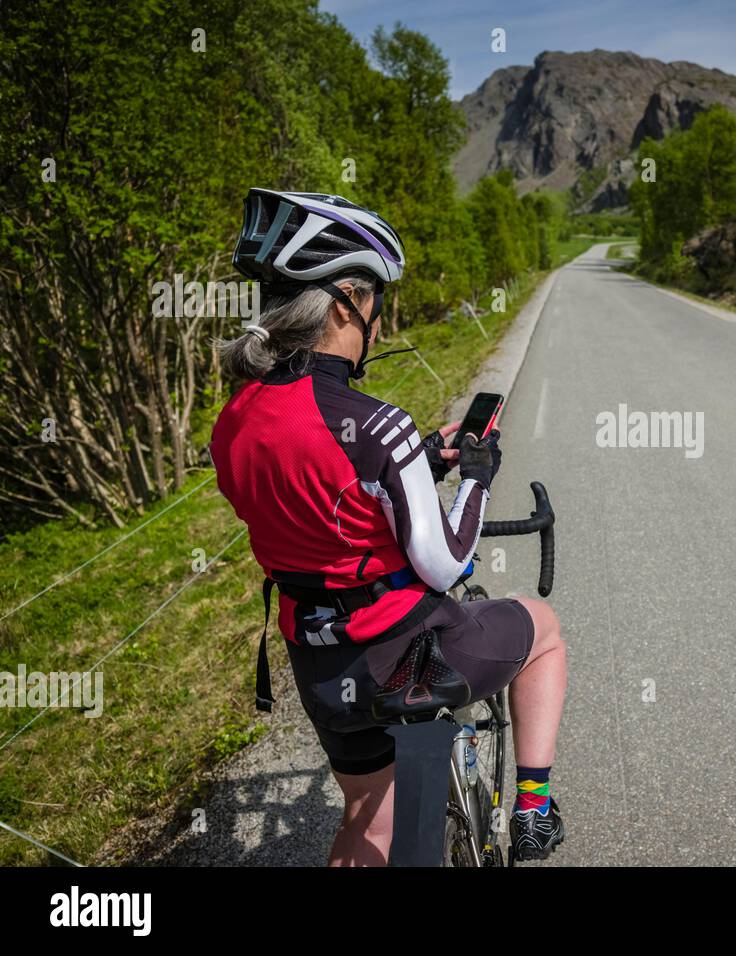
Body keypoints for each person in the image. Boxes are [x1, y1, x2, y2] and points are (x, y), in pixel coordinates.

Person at [208, 188, 567, 865]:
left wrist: (424, 457)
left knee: (368, 822)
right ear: (347, 300)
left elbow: (317, 498)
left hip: (318, 663)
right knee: (542, 630)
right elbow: (446, 562)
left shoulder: (234, 421)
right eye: (376, 297)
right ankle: (534, 810)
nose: (380, 313)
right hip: (407, 653)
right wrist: (478, 475)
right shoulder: (377, 424)